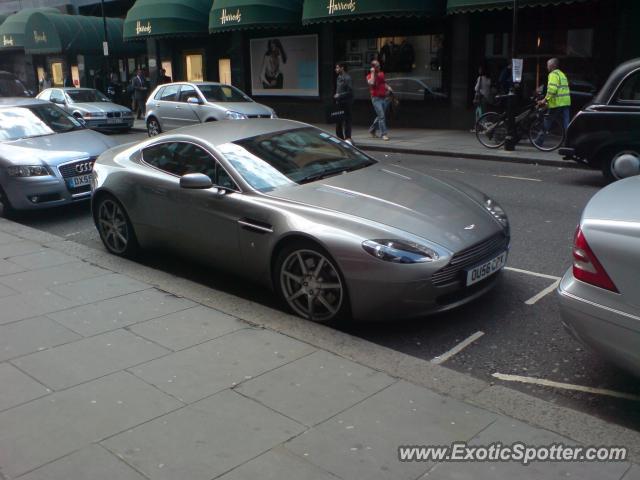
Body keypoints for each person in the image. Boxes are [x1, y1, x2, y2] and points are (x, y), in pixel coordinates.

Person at [539, 57, 571, 132]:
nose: (547, 67)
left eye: (548, 65)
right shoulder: (562, 74)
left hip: (557, 103)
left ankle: (538, 141)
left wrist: (545, 99)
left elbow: (552, 90)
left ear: (552, 66)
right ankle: (568, 140)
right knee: (566, 123)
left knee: (547, 120)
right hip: (566, 102)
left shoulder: (553, 74)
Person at [367, 60, 390, 141]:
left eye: (379, 65)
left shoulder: (381, 74)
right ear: (373, 67)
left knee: (380, 116)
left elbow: (383, 83)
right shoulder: (369, 76)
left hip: (384, 97)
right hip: (376, 99)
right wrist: (373, 73)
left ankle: (372, 130)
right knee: (382, 116)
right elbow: (372, 83)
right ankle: (384, 134)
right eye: (377, 66)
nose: (379, 67)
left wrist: (388, 88)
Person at [334, 62, 354, 144]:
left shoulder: (348, 78)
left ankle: (347, 138)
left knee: (347, 121)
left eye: (338, 67)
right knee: (338, 121)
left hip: (346, 103)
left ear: (342, 68)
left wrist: (339, 95)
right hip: (339, 102)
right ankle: (340, 138)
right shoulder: (338, 77)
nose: (336, 69)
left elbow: (350, 92)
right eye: (336, 68)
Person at [472, 65, 491, 130]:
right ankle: (485, 127)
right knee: (484, 113)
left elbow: (476, 88)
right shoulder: (489, 79)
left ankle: (478, 127)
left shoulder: (480, 78)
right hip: (486, 98)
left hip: (480, 97)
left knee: (478, 112)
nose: (479, 71)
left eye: (480, 69)